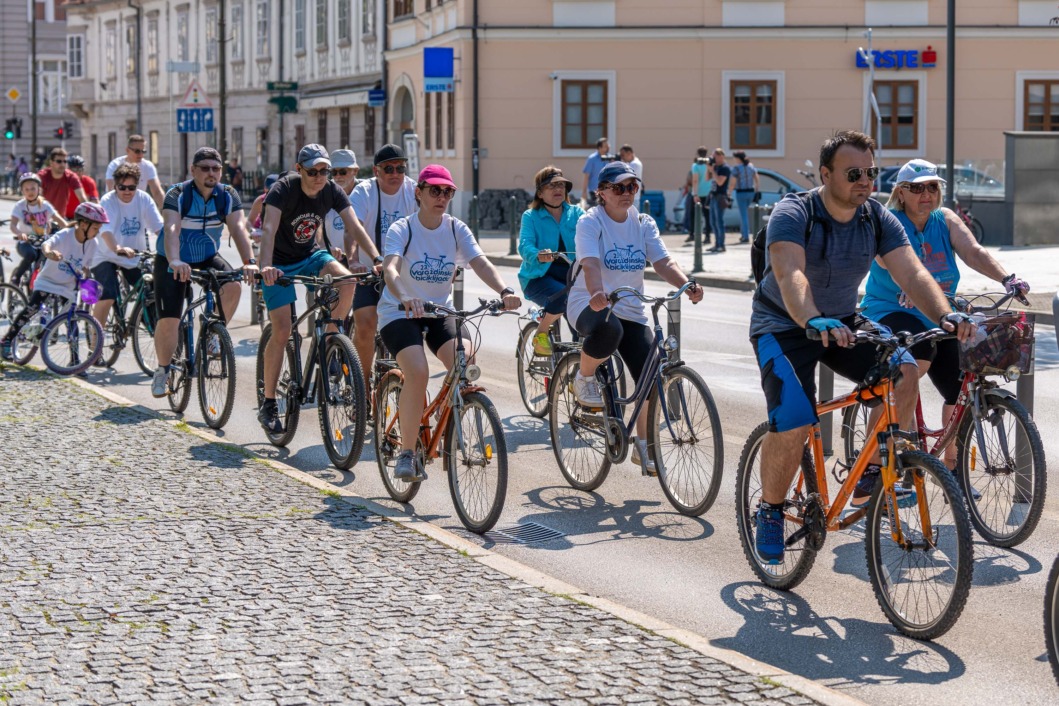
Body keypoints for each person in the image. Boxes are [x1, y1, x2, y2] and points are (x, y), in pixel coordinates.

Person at [749, 130, 976, 565]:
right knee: (795, 419)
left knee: (905, 370)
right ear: (826, 174)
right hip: (784, 324)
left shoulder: (876, 218)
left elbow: (913, 273)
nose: (865, 181)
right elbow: (790, 274)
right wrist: (812, 318)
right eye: (854, 173)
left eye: (871, 172)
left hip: (843, 321)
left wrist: (945, 314)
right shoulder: (794, 212)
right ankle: (771, 510)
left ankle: (878, 467)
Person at [860, 159, 1030, 469]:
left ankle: (953, 468)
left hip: (942, 313)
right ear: (900, 192)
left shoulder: (946, 219)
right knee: (914, 363)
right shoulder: (888, 220)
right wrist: (909, 287)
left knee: (961, 383)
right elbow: (890, 261)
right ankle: (876, 464)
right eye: (916, 188)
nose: (926, 193)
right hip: (892, 310)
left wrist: (1007, 278)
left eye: (932, 187)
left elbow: (973, 251)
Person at [380, 164, 521, 481]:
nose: (442, 196)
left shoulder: (456, 229)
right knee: (417, 371)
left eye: (448, 191)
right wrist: (404, 296)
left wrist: (504, 290)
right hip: (399, 312)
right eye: (435, 190)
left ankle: (450, 415)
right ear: (419, 193)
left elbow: (479, 261)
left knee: (466, 358)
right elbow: (390, 269)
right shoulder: (403, 229)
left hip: (439, 311)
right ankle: (406, 451)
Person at [566, 161, 702, 476]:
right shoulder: (591, 222)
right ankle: (585, 376)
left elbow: (663, 261)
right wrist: (598, 292)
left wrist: (685, 283)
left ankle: (644, 447)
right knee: (608, 328)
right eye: (618, 187)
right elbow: (589, 264)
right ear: (601, 192)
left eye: (632, 187)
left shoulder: (642, 222)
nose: (627, 193)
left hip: (630, 308)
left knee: (651, 372)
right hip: (589, 303)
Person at [257, 144, 382, 434]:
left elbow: (355, 226)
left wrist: (376, 259)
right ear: (299, 169)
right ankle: (270, 402)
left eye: (324, 171)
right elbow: (269, 229)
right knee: (283, 331)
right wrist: (265, 266)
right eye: (312, 171)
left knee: (347, 279)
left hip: (310, 256)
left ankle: (331, 334)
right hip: (277, 263)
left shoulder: (331, 191)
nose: (319, 176)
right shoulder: (283, 189)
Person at [151, 147, 258, 398]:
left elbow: (239, 229)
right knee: (170, 319)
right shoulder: (178, 193)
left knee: (232, 284)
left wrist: (250, 261)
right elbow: (171, 228)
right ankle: (163, 370)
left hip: (207, 256)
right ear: (193, 170)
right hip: (172, 258)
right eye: (205, 168)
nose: (211, 173)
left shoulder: (227, 194)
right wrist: (175, 260)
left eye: (216, 168)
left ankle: (213, 330)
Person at [347, 143, 418, 390]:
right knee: (365, 325)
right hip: (370, 272)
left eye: (400, 168)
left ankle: (403, 387)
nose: (395, 174)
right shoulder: (364, 192)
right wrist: (353, 260)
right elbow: (352, 229)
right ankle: (362, 389)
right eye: (389, 168)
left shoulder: (414, 191)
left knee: (414, 332)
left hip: (403, 275)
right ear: (376, 171)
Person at [1, 203, 107, 361]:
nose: (97, 232)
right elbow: (46, 244)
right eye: (95, 228)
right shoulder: (66, 234)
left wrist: (87, 281)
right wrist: (49, 253)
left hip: (68, 286)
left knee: (73, 319)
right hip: (48, 281)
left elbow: (86, 266)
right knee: (32, 308)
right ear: (83, 224)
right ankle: (7, 340)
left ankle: (75, 360)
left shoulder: (93, 243)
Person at [91, 162, 165, 338]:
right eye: (122, 187)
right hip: (105, 255)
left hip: (133, 257)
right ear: (115, 186)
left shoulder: (144, 199)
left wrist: (172, 248)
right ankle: (95, 348)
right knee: (108, 295)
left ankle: (147, 320)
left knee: (153, 289)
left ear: (138, 185)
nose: (126, 191)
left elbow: (159, 228)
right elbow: (106, 231)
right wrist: (117, 247)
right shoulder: (107, 201)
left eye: (131, 187)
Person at [517, 166, 583, 355]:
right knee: (563, 297)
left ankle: (575, 368)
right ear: (540, 193)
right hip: (539, 276)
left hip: (572, 275)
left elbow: (593, 234)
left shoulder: (576, 213)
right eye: (552, 186)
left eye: (562, 185)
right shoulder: (531, 216)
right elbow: (524, 245)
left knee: (584, 322)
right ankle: (542, 331)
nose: (558, 189)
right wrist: (538, 254)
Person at [8, 173, 68, 287]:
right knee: (31, 255)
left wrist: (70, 231)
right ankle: (17, 277)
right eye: (26, 189)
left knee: (49, 260)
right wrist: (20, 233)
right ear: (22, 191)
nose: (30, 192)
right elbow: (13, 225)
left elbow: (60, 220)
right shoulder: (20, 206)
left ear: (39, 189)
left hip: (43, 243)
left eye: (33, 188)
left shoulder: (45, 205)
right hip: (25, 243)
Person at [105, 135, 165, 208]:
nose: (141, 154)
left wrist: (166, 211)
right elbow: (111, 190)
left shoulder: (148, 166)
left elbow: (157, 192)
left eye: (143, 151)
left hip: (138, 207)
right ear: (127, 150)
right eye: (137, 151)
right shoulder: (115, 165)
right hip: (116, 206)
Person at [323, 149, 360, 261]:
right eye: (334, 172)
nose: (338, 176)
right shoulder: (323, 192)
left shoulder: (367, 192)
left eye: (343, 172)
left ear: (355, 171)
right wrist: (326, 248)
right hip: (332, 260)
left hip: (362, 262)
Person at [38, 148, 88, 223]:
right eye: (59, 161)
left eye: (65, 161)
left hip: (61, 221)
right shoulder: (42, 176)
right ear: (51, 163)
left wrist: (88, 216)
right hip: (41, 219)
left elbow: (82, 198)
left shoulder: (70, 176)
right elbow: (37, 198)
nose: (62, 164)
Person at [729, 150, 760, 243]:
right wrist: (756, 190)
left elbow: (733, 183)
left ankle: (745, 235)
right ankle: (743, 234)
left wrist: (729, 192)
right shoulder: (751, 166)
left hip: (741, 192)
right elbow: (757, 178)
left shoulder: (737, 168)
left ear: (738, 158)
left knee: (743, 215)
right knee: (745, 213)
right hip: (751, 192)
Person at [707, 148, 731, 253]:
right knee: (713, 222)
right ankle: (716, 244)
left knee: (719, 222)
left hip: (720, 197)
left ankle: (722, 245)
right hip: (713, 196)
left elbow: (720, 182)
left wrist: (713, 171)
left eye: (715, 157)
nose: (713, 159)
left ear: (721, 156)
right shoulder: (715, 167)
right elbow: (707, 179)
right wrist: (709, 168)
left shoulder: (725, 168)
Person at [64, 155, 100, 220]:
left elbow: (95, 202)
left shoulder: (89, 182)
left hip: (82, 218)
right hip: (64, 218)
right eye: (74, 170)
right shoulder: (63, 181)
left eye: (80, 169)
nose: (77, 172)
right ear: (68, 170)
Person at [689, 147, 712, 245]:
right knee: (707, 216)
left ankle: (692, 234)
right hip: (708, 193)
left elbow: (695, 180)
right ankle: (708, 236)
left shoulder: (695, 165)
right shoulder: (710, 164)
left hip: (698, 194)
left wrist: (695, 193)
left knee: (693, 215)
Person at [580, 137, 610, 208]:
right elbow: (586, 176)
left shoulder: (609, 158)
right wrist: (584, 192)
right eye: (605, 146)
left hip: (607, 190)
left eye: (608, 146)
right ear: (599, 148)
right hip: (595, 190)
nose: (608, 148)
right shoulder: (592, 159)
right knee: (598, 210)